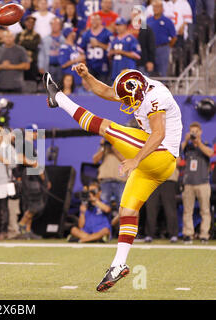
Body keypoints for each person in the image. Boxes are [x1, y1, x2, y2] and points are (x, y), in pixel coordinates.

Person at [43, 60, 182, 291]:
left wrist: (136, 160)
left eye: (128, 100)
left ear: (138, 92)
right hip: (155, 165)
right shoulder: (134, 87)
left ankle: (58, 98)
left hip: (160, 153)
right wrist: (87, 76)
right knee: (127, 210)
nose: (126, 104)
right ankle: (118, 265)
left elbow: (158, 134)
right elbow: (107, 91)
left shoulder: (156, 96)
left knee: (106, 127)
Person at [180, 122, 213, 244]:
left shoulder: (205, 144)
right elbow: (177, 155)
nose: (194, 134)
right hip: (188, 183)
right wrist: (186, 140)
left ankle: (204, 235)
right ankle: (188, 234)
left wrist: (198, 142)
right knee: (187, 210)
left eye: (196, 131)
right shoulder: (187, 147)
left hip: (203, 183)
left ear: (200, 132)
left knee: (205, 210)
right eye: (192, 131)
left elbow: (210, 153)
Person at [16, 125, 50, 240]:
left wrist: (45, 179)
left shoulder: (31, 146)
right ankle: (21, 225)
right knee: (35, 205)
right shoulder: (23, 144)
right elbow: (20, 158)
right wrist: (32, 163)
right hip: (29, 176)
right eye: (35, 132)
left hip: (34, 176)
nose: (36, 134)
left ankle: (28, 231)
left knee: (33, 204)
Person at [144, 166, 180, 243]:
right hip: (152, 178)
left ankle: (173, 234)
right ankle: (149, 234)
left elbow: (178, 160)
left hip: (169, 179)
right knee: (151, 208)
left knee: (170, 209)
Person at [92, 138, 126, 210]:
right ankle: (104, 221)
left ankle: (120, 221)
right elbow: (95, 160)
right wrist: (102, 146)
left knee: (122, 206)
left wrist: (115, 148)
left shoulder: (124, 147)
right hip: (105, 182)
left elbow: (125, 161)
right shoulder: (104, 149)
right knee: (103, 205)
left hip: (120, 182)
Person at [78, 13, 113, 83]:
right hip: (89, 65)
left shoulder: (107, 33)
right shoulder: (86, 34)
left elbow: (112, 49)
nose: (94, 21)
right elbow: (80, 49)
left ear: (100, 21)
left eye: (96, 19)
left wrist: (98, 44)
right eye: (92, 20)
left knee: (102, 88)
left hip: (103, 65)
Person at [146, 0, 177, 77]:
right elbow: (143, 35)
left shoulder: (168, 21)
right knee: (150, 73)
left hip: (163, 48)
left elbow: (174, 37)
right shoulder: (147, 21)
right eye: (154, 7)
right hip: (150, 50)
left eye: (157, 7)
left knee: (163, 72)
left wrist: (167, 47)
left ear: (162, 8)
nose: (155, 9)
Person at [108, 17, 141, 81]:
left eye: (120, 25)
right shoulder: (114, 39)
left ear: (125, 26)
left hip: (128, 70)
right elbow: (109, 54)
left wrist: (122, 52)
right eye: (117, 25)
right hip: (116, 70)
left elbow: (137, 55)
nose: (118, 27)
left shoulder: (131, 39)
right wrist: (111, 53)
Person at [128, 7, 156, 76]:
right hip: (127, 62)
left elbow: (151, 46)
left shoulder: (146, 28)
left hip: (142, 62)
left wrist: (150, 61)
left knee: (142, 83)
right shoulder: (126, 26)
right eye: (134, 14)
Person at [38, 17, 65, 84]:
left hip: (61, 67)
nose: (54, 26)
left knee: (60, 86)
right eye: (52, 24)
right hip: (49, 66)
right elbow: (41, 53)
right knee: (49, 86)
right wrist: (41, 66)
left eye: (56, 24)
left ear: (60, 26)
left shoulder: (64, 39)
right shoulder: (45, 39)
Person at [15, 15, 41, 82]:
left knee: (31, 81)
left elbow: (33, 46)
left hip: (32, 62)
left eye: (32, 22)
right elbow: (16, 46)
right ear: (25, 23)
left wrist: (22, 43)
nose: (30, 24)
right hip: (20, 62)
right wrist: (29, 43)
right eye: (28, 22)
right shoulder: (19, 34)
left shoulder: (37, 35)